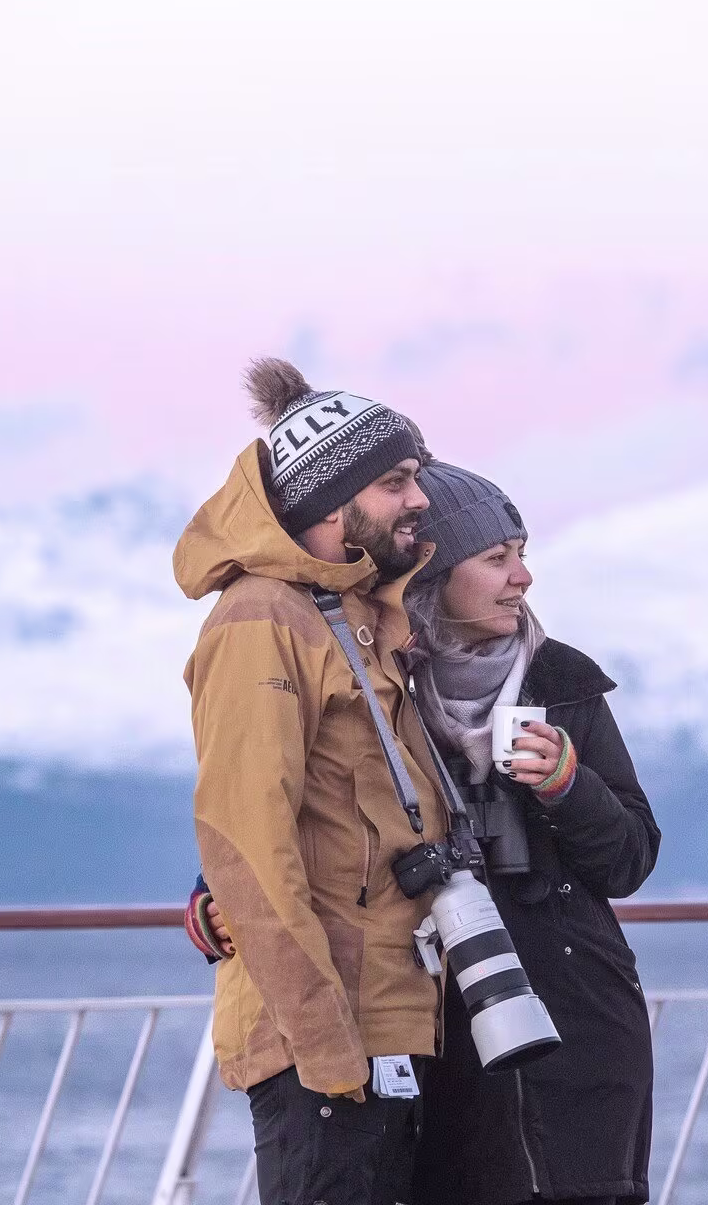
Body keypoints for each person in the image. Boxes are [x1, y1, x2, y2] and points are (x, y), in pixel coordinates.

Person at [190, 458, 661, 1205]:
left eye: (523, 554)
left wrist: (570, 785)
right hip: (440, 1032)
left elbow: (630, 860)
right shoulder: (378, 684)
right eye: (497, 559)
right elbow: (302, 812)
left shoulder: (561, 683)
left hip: (575, 1020)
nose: (523, 579)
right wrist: (214, 903)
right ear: (433, 580)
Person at [176, 357, 449, 1205]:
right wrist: (326, 1047)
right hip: (326, 1043)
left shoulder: (356, 616)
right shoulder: (263, 620)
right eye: (397, 482)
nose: (420, 500)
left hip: (390, 1020)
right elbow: (248, 844)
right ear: (333, 503)